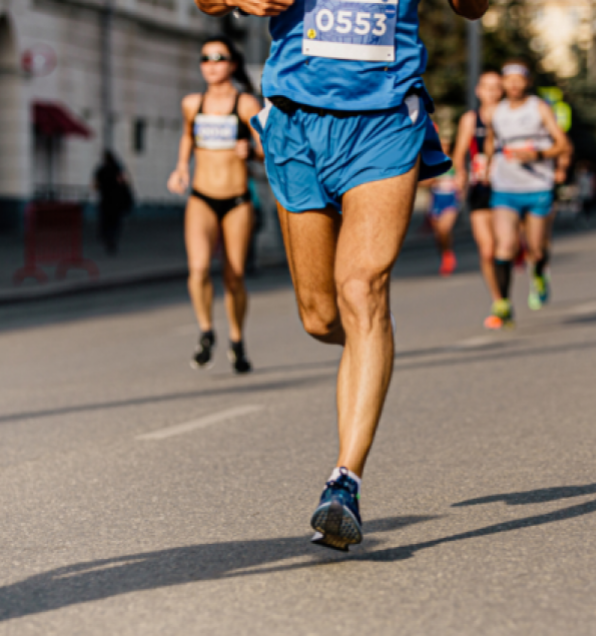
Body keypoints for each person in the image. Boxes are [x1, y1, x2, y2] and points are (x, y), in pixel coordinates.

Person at [196, 0, 486, 551]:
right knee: (321, 316)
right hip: (296, 123)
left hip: (383, 124)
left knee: (362, 288)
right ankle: (371, 336)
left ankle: (344, 484)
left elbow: (474, 10)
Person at [167, 36, 262, 373]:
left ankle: (237, 339)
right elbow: (187, 136)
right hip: (202, 197)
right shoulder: (192, 103)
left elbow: (267, 149)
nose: (211, 64)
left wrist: (250, 151)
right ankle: (207, 332)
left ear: (232, 64)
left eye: (219, 58)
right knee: (198, 269)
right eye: (205, 59)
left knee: (234, 276)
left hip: (237, 199)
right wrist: (180, 168)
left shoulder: (247, 104)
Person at [485, 60, 570, 322]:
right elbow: (491, 143)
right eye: (508, 79)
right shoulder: (495, 111)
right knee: (505, 246)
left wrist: (538, 154)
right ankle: (503, 302)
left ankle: (539, 273)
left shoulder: (539, 108)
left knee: (536, 248)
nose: (513, 84)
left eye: (518, 79)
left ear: (526, 82)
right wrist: (486, 167)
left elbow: (562, 144)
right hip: (505, 186)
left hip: (537, 186)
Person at [452, 71, 506, 328]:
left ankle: (522, 273)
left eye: (497, 87)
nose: (492, 92)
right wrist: (461, 173)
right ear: (478, 91)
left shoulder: (510, 115)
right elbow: (459, 153)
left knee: (507, 247)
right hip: (480, 188)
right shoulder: (470, 119)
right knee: (487, 249)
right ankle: (499, 300)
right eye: (487, 87)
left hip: (509, 187)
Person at [425, 137, 460, 276]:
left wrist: (460, 184)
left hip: (450, 199)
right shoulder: (431, 161)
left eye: (446, 145)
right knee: (438, 234)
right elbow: (422, 182)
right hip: (436, 199)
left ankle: (449, 255)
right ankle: (445, 255)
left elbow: (462, 178)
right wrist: (432, 180)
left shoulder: (454, 162)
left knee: (444, 229)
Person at [93, 150, 132, 255]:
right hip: (116, 201)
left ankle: (106, 238)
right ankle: (112, 240)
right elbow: (124, 183)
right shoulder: (117, 169)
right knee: (115, 223)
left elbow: (95, 185)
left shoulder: (101, 170)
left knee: (105, 221)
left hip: (105, 201)